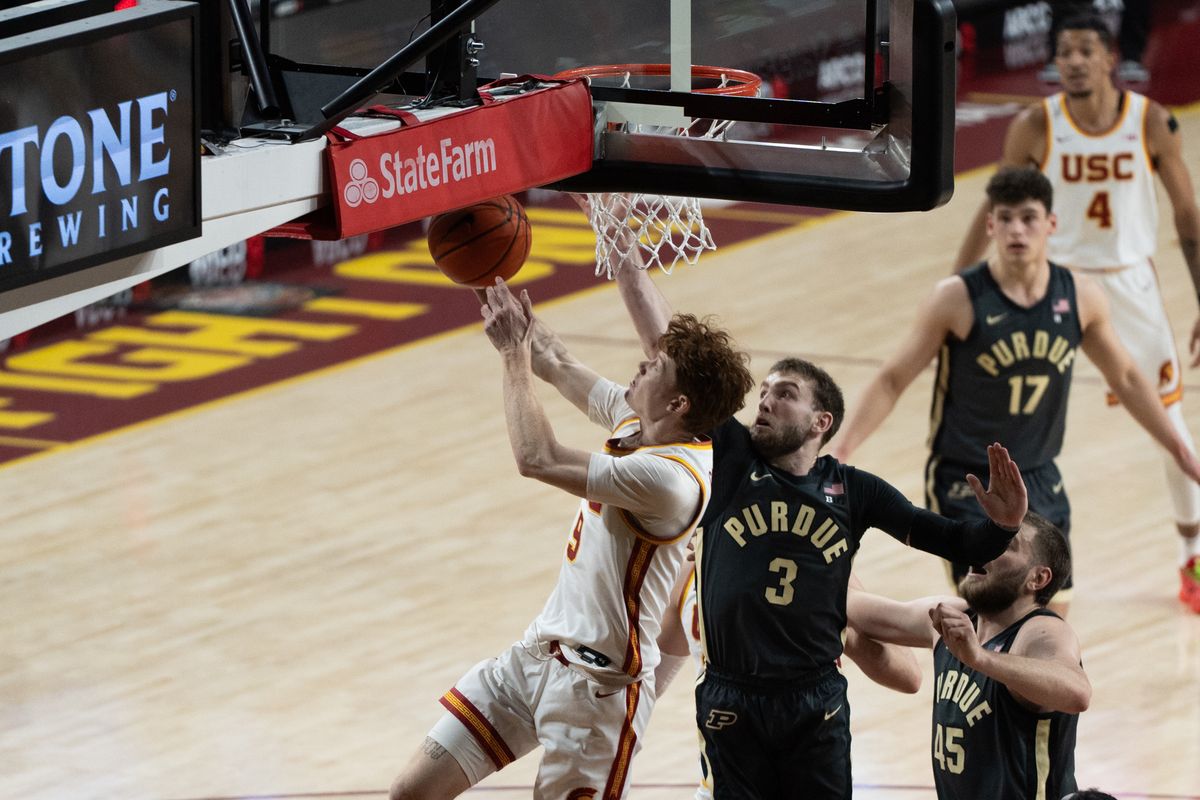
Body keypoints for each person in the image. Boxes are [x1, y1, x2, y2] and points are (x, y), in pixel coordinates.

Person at [613, 237, 1029, 800]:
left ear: (820, 422)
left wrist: (1003, 525)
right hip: (732, 697)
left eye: (783, 394)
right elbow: (673, 354)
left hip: (815, 698)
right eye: (762, 391)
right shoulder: (732, 460)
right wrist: (626, 260)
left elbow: (955, 539)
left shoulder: (854, 491)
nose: (763, 401)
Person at [388, 279, 755, 800]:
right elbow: (557, 360)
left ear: (677, 403)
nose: (642, 364)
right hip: (535, 656)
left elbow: (537, 457)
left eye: (657, 365)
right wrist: (492, 287)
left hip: (595, 697)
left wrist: (512, 353)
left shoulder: (671, 481)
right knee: (411, 792)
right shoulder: (641, 421)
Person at [834, 166, 1200, 614]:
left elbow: (1125, 377)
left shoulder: (1079, 297)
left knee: (1051, 622)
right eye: (1005, 218)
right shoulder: (959, 298)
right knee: (994, 615)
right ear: (990, 226)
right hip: (969, 480)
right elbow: (893, 378)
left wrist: (1180, 450)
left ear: (1051, 224)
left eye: (1028, 218)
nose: (1016, 230)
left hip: (1041, 475)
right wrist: (846, 447)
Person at [958, 11, 1200, 612]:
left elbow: (1188, 219)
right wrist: (958, 284)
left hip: (1130, 285)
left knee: (1170, 423)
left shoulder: (1150, 120)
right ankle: (1016, 558)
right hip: (1053, 286)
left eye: (1085, 51)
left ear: (1109, 57)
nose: (1073, 61)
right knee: (1020, 432)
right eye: (1063, 52)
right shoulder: (1035, 124)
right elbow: (993, 208)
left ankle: (1191, 555)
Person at [847, 512, 1090, 800]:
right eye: (987, 538)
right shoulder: (954, 617)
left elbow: (1077, 693)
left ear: (1037, 578)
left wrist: (979, 658)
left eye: (1005, 546)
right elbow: (849, 603)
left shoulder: (1039, 631)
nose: (985, 547)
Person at [655, 562, 923, 800]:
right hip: (729, 775)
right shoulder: (691, 569)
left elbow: (909, 675)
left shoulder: (819, 557)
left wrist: (840, 632)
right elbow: (646, 683)